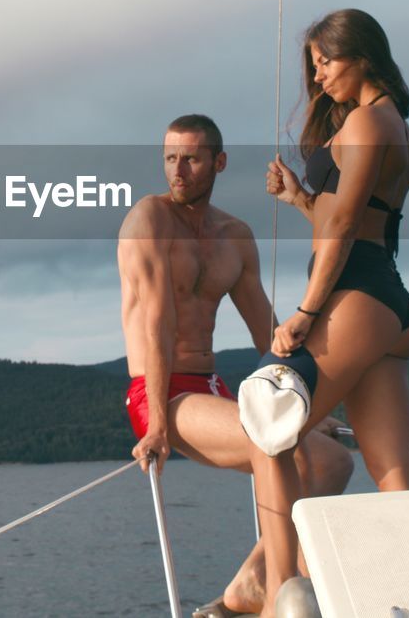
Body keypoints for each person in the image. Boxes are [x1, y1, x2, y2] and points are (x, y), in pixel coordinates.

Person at [119, 113, 354, 618]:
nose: (177, 170)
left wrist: (307, 398)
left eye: (192, 159)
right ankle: (278, 597)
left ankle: (253, 577)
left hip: (216, 389)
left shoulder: (235, 235)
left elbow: (264, 330)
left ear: (219, 162)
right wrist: (158, 423)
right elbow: (158, 323)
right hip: (160, 394)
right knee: (266, 437)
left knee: (334, 463)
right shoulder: (149, 219)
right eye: (170, 158)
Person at [256, 9, 409, 614]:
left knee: (266, 430)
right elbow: (350, 219)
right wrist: (300, 198)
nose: (318, 75)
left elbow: (347, 227)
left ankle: (273, 591)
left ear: (363, 56)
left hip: (354, 297)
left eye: (326, 61)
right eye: (314, 65)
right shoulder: (394, 125)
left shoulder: (363, 123)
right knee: (395, 478)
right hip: (389, 305)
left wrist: (304, 311)